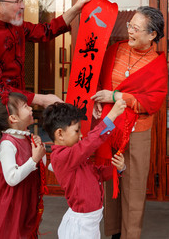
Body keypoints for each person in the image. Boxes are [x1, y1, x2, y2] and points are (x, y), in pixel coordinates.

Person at [0, 0, 89, 238]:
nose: (22, 5)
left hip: (14, 117)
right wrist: (41, 99)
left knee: (15, 186)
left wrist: (75, 9)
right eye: (17, 0)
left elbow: (44, 31)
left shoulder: (14, 22)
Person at [91, 6, 168, 239]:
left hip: (137, 131)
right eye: (129, 26)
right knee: (109, 179)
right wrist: (96, 98)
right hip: (109, 126)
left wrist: (115, 96)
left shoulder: (157, 63)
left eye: (135, 28)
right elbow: (100, 80)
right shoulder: (116, 50)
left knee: (133, 186)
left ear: (152, 34)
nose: (130, 31)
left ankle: (130, 235)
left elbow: (151, 103)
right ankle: (113, 233)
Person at [43, 100, 127, 239]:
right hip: (80, 226)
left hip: (89, 223)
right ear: (60, 134)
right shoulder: (61, 156)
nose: (81, 135)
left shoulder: (74, 155)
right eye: (76, 130)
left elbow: (97, 174)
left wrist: (117, 168)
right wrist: (112, 116)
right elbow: (89, 143)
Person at [0, 92, 46, 238]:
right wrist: (34, 159)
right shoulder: (7, 143)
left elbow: (39, 165)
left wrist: (39, 152)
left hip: (24, 198)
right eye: (26, 107)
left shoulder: (27, 137)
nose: (31, 109)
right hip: (10, 203)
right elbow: (11, 178)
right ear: (13, 118)